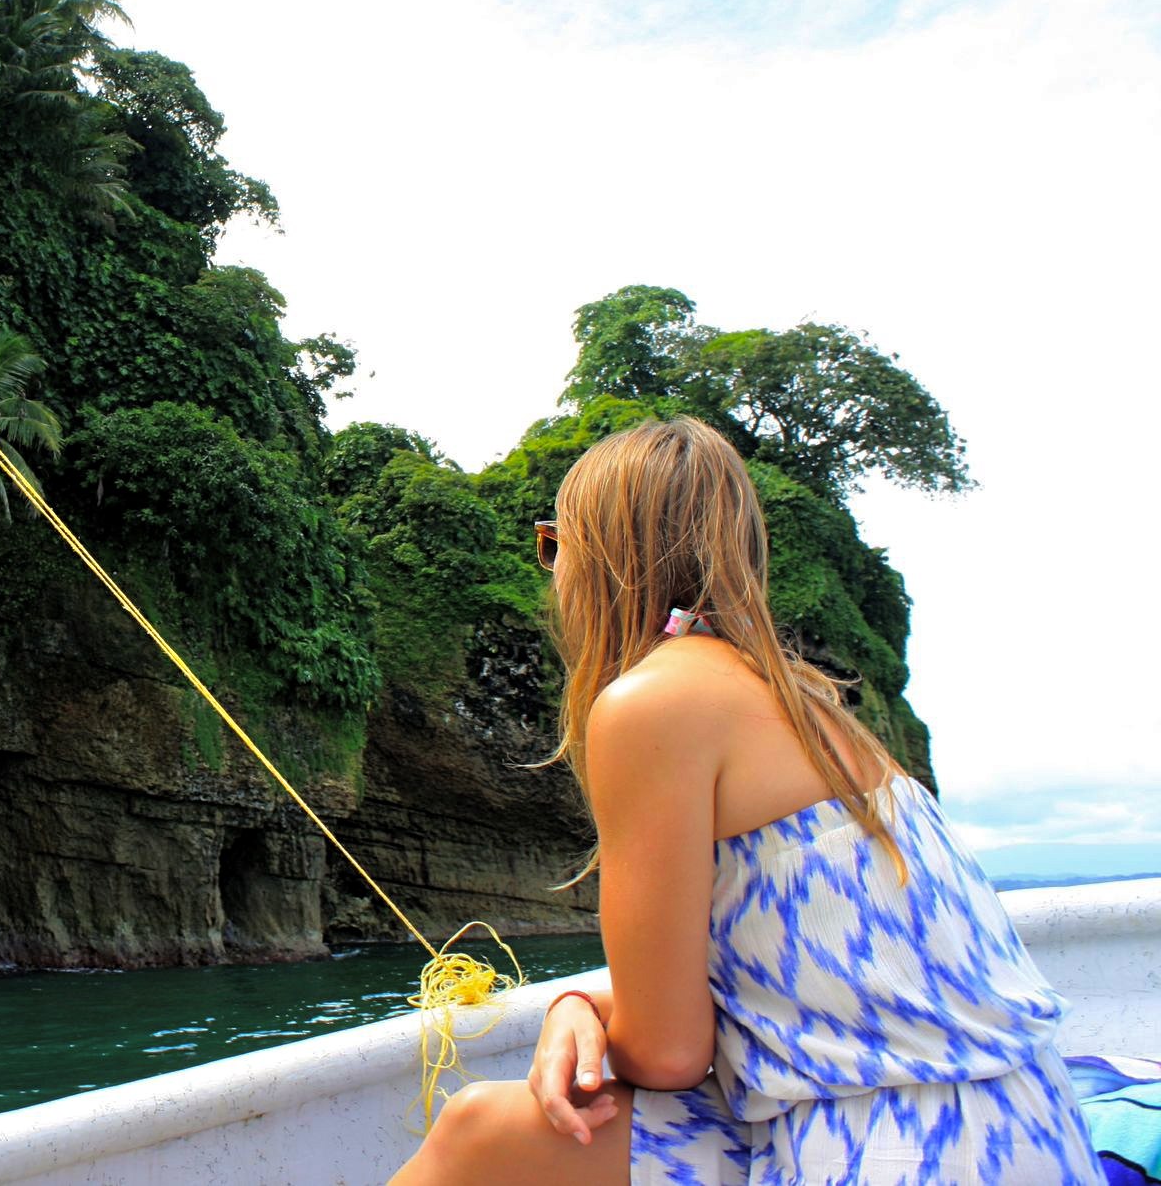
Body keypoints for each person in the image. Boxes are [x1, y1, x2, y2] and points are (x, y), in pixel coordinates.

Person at [390, 417, 1102, 1185]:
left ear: (600, 554)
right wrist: (581, 1002)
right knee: (481, 1129)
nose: (551, 571)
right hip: (1028, 1133)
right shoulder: (810, 705)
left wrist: (582, 1010)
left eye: (552, 542)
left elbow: (666, 1053)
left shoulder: (651, 706)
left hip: (898, 1150)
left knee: (476, 1135)